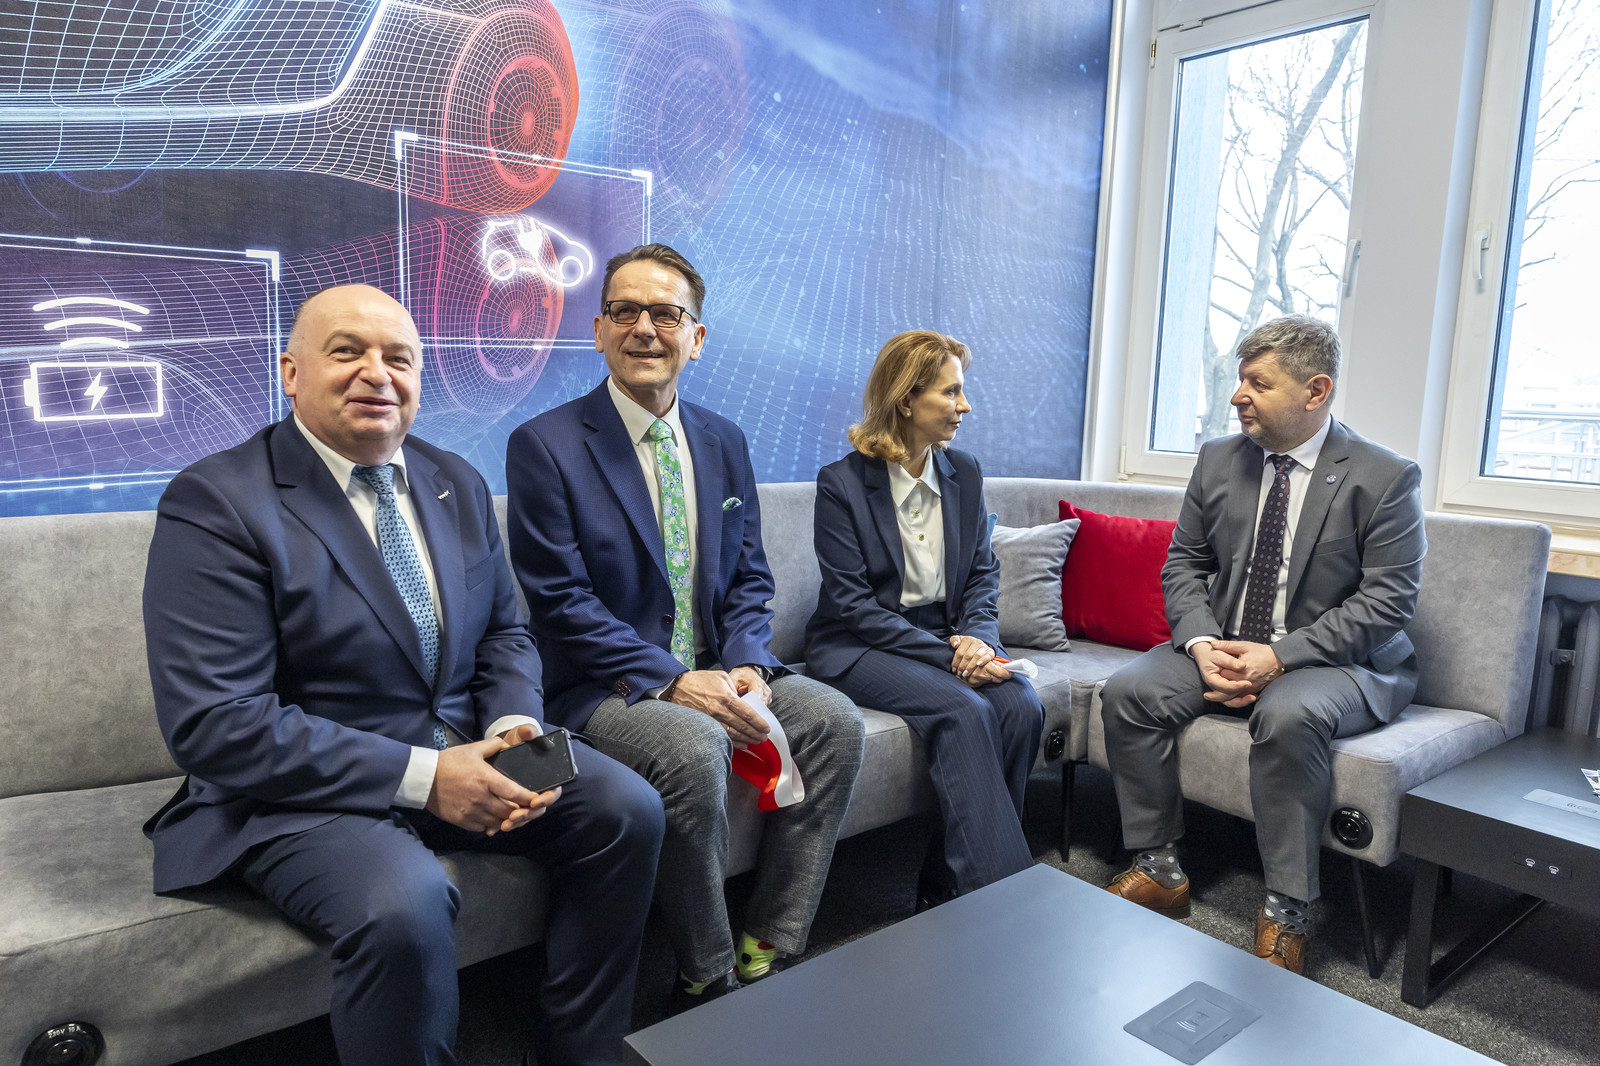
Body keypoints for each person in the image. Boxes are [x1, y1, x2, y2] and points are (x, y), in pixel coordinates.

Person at [141, 284, 664, 1066]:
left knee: (628, 809)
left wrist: (511, 726)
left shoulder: (454, 480)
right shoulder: (217, 501)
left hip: (469, 749)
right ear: (290, 372)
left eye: (399, 358)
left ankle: (580, 1052)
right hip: (305, 792)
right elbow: (215, 721)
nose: (377, 374)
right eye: (347, 352)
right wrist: (427, 778)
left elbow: (506, 632)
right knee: (403, 903)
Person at [504, 244, 865, 1003]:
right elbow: (562, 601)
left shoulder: (724, 440)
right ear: (599, 330)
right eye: (625, 311)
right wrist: (674, 680)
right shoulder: (544, 445)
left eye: (666, 314)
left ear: (695, 338)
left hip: (717, 664)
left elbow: (749, 576)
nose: (644, 328)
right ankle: (706, 972)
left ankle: (773, 934)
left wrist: (749, 662)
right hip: (605, 684)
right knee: (692, 745)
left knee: (834, 721)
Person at [1100, 314, 1425, 974]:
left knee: (1288, 714)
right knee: (1129, 691)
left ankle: (1288, 909)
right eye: (1239, 379)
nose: (1237, 395)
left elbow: (1387, 604)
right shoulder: (1220, 459)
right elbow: (1185, 563)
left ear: (1316, 391)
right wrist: (1200, 643)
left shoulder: (1384, 477)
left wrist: (1280, 656)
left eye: (1258, 383)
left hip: (1336, 658)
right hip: (1226, 642)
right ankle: (1159, 868)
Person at [804, 330, 1043, 905]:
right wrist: (951, 656)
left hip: (946, 637)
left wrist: (978, 641)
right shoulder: (841, 484)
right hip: (858, 644)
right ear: (906, 399)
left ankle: (945, 887)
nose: (965, 406)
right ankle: (1004, 903)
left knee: (1021, 706)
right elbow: (854, 606)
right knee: (964, 708)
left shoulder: (965, 473)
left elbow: (982, 574)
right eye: (951, 392)